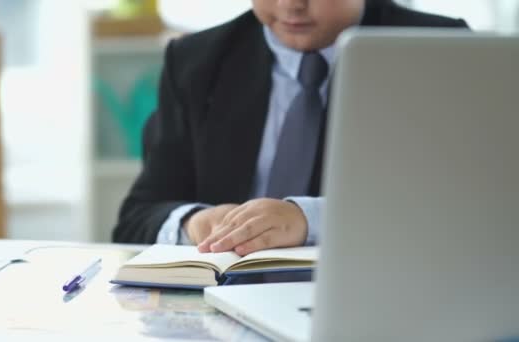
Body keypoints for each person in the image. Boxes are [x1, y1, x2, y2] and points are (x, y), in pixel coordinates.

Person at [112, 0, 467, 255]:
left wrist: (309, 221)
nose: (291, 4)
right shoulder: (195, 61)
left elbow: (460, 207)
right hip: (232, 300)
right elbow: (137, 217)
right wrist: (195, 221)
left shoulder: (443, 48)